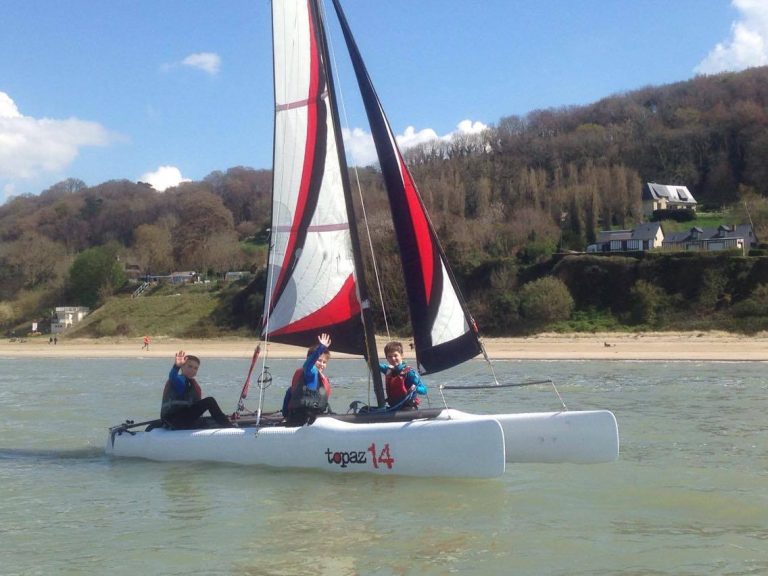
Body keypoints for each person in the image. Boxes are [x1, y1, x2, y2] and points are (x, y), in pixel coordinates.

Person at [160, 350, 234, 429]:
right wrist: (176, 366)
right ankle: (228, 426)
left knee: (207, 412)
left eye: (196, 368)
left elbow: (195, 407)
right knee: (210, 401)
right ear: (182, 366)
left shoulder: (190, 383)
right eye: (190, 366)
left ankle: (223, 422)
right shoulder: (180, 381)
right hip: (175, 419)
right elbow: (172, 376)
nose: (193, 370)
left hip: (180, 419)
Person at [282, 333, 333, 426]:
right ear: (311, 359)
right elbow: (308, 365)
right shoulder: (311, 372)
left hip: (312, 418)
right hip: (304, 420)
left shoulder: (321, 378)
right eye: (319, 360)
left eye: (324, 362)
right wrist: (321, 348)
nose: (322, 364)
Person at [379, 341, 426, 410]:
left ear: (402, 355)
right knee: (364, 409)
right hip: (394, 408)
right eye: (389, 356)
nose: (393, 359)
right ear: (386, 358)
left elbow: (424, 390)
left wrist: (416, 388)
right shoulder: (388, 370)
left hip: (408, 408)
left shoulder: (409, 373)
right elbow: (374, 364)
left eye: (395, 355)